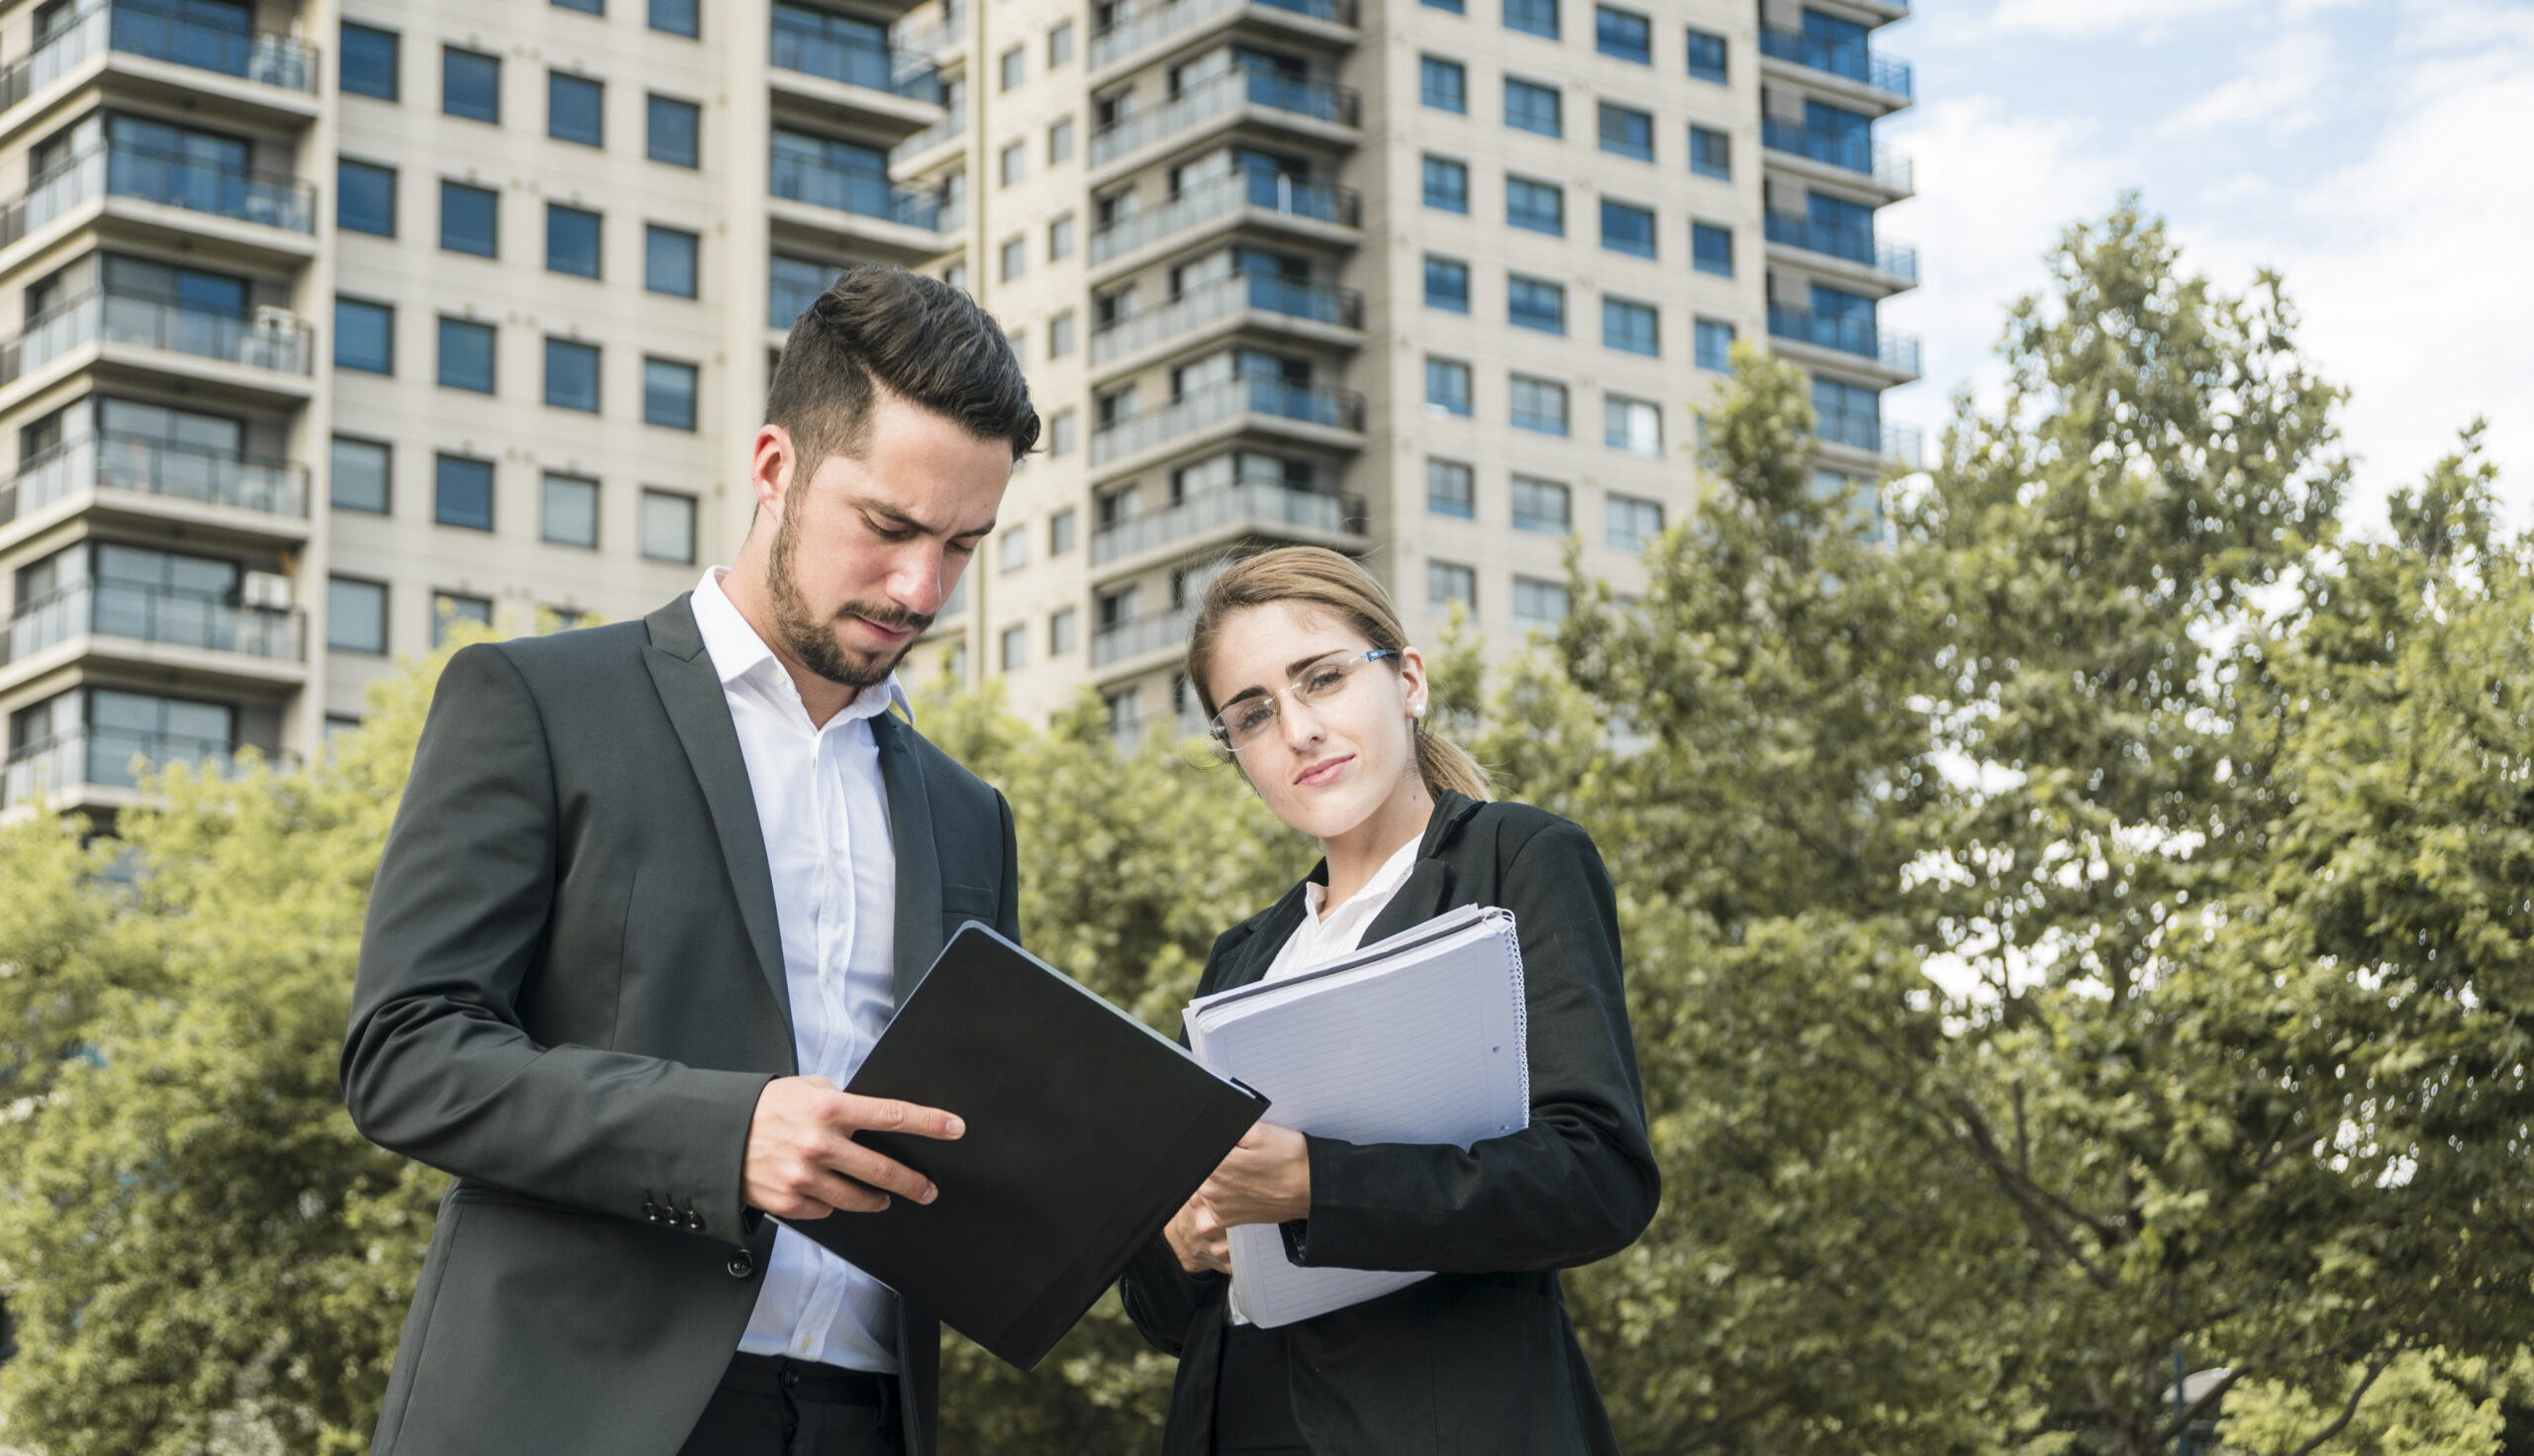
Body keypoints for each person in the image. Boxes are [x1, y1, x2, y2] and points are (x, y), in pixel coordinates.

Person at [341, 266, 1037, 1456]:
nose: (921, 588)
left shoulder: (971, 816)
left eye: (963, 545)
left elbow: (972, 1142)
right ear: (775, 469)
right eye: (887, 527)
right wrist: (725, 1135)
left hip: (866, 1419)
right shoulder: (536, 702)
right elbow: (407, 1053)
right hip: (574, 1412)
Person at [1118, 546, 1661, 1455]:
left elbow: (1599, 1175)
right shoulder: (1239, 963)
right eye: (1252, 714)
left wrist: (1313, 1184)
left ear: (1406, 679)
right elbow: (1165, 1315)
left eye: (1322, 678)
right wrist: (1181, 1239)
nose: (1297, 729)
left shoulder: (1516, 859)